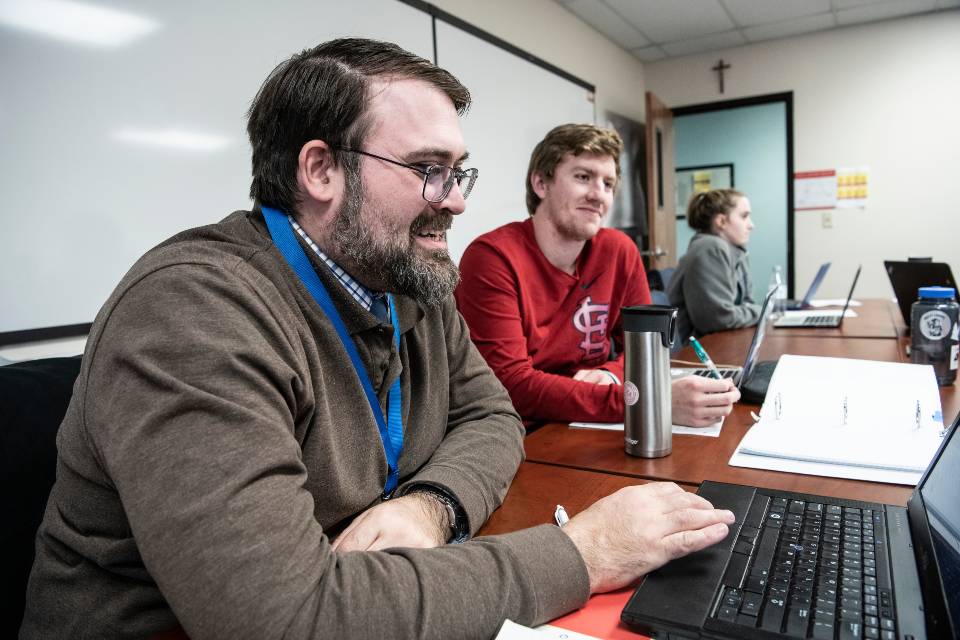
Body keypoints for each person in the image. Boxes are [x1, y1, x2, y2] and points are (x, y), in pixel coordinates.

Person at [20, 40, 734, 639]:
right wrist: (582, 552)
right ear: (321, 169)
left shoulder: (408, 279)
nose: (456, 200)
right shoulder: (192, 312)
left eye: (458, 172)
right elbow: (285, 620)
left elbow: (489, 416)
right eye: (429, 171)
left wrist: (432, 504)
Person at [455, 124, 740, 426]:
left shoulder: (619, 251)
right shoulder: (492, 258)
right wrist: (651, 402)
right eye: (583, 177)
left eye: (608, 184)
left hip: (596, 417)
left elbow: (650, 346)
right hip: (526, 428)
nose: (598, 195)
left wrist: (609, 374)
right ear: (541, 183)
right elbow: (511, 385)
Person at [667, 188, 761, 341]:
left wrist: (753, 311)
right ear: (721, 221)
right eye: (744, 216)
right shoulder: (711, 248)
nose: (751, 225)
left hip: (718, 342)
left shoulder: (735, 251)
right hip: (695, 353)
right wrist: (762, 312)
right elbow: (720, 320)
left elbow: (747, 302)